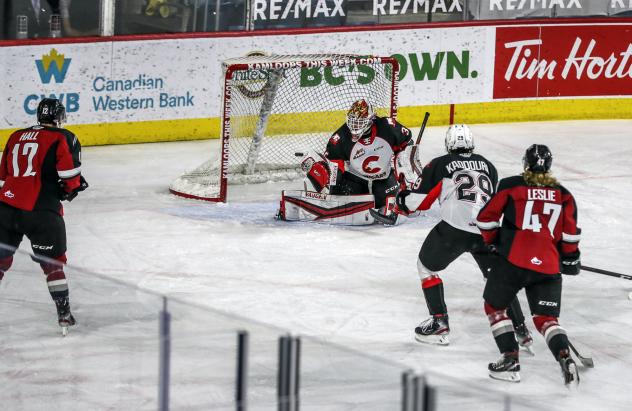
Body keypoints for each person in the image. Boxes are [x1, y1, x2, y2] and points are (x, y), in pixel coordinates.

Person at [395, 124, 532, 348]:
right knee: (497, 278)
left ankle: (439, 324)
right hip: (487, 231)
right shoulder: (488, 166)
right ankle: (521, 330)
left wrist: (401, 200)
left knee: (426, 267)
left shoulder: (440, 163)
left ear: (449, 145)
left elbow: (419, 202)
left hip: (454, 230)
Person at [476, 144, 581, 385]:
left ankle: (510, 359)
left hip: (513, 261)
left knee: (495, 306)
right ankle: (564, 357)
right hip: (548, 267)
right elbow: (570, 235)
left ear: (525, 163)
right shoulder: (564, 194)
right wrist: (569, 259)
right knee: (546, 318)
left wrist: (494, 242)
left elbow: (485, 219)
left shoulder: (511, 186)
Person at [0, 98, 88, 335]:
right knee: (53, 265)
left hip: (5, 207)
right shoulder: (63, 137)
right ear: (58, 117)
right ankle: (64, 315)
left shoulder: (15, 136)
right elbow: (70, 176)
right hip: (41, 212)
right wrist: (71, 189)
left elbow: (3, 175)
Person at [302, 99, 412, 214]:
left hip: (384, 179)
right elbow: (334, 162)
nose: (354, 127)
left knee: (387, 202)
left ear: (371, 119)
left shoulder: (387, 127)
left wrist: (405, 171)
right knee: (339, 193)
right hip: (355, 180)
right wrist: (330, 186)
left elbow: (406, 144)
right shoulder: (341, 136)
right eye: (353, 121)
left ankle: (389, 203)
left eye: (359, 122)